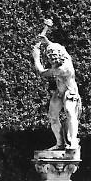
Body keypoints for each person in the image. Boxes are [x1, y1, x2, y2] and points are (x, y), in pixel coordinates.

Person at [31, 20, 82, 152]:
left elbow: (42, 72)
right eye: (50, 57)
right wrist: (47, 41)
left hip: (70, 92)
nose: (52, 59)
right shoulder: (62, 56)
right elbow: (57, 48)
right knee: (52, 116)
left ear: (60, 56)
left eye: (54, 56)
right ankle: (60, 143)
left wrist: (36, 57)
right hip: (59, 92)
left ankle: (73, 142)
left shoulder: (64, 68)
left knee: (70, 112)